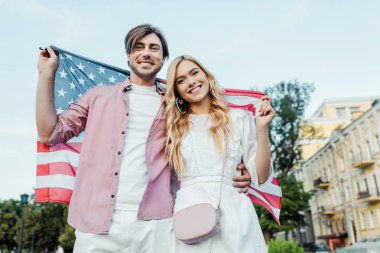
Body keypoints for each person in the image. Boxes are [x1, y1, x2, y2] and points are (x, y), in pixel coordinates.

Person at [36, 24, 251, 252]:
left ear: (163, 57)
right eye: (139, 47)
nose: (146, 53)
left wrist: (240, 169)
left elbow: (208, 136)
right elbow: (49, 133)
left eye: (154, 48)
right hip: (96, 224)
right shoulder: (97, 96)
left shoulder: (177, 107)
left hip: (157, 225)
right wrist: (46, 74)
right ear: (129, 55)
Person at [165, 55, 276, 252]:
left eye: (194, 73)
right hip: (189, 217)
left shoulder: (238, 118)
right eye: (181, 81)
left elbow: (260, 176)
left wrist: (262, 128)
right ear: (177, 92)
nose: (191, 82)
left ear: (207, 76)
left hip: (234, 213)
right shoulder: (173, 129)